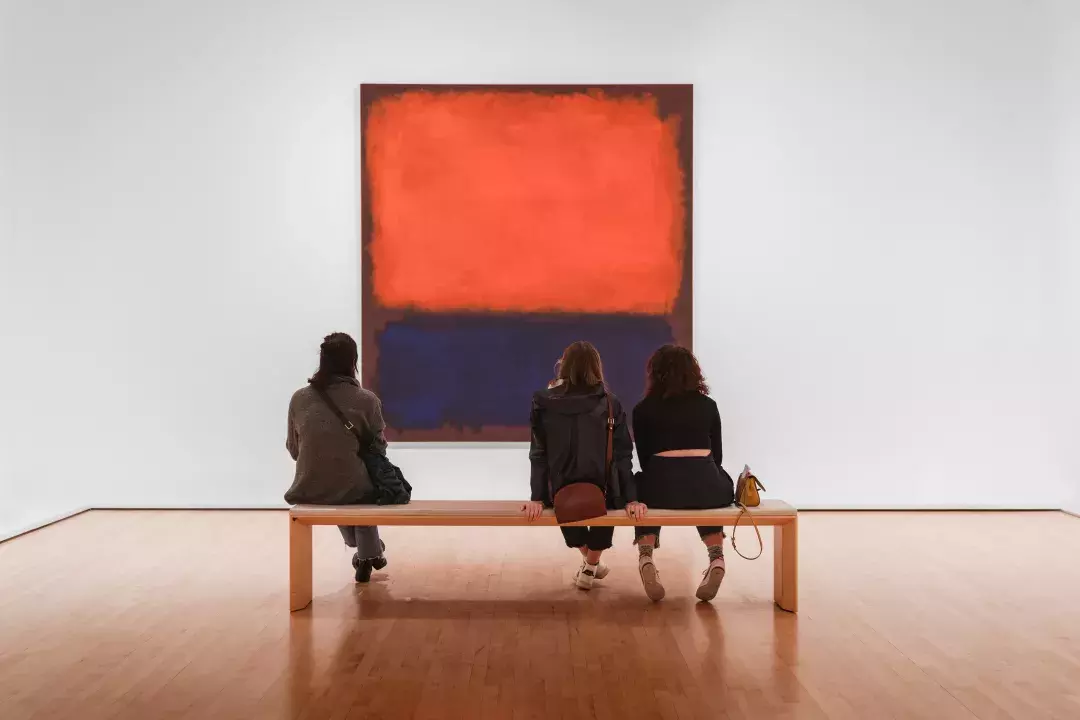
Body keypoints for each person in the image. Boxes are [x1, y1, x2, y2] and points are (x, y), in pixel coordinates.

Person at [522, 341, 646, 590]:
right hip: (604, 483)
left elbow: (539, 453)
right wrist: (631, 497)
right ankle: (591, 567)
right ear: (596, 368)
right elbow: (622, 453)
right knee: (608, 501)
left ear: (563, 367)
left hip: (560, 484)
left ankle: (589, 565)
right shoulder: (610, 402)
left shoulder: (544, 402)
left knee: (565, 506)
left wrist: (537, 496)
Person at [631, 345, 735, 603]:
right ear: (693, 372)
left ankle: (646, 555)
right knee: (708, 482)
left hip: (661, 489)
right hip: (706, 487)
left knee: (642, 485)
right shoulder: (708, 405)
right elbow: (717, 455)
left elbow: (645, 460)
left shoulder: (643, 408)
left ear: (655, 373)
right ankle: (716, 558)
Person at [285, 332, 389, 583]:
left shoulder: (299, 398)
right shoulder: (366, 400)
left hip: (308, 486)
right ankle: (370, 553)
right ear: (353, 361)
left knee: (337, 480)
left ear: (323, 360)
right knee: (358, 486)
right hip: (353, 488)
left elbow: (293, 448)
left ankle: (369, 552)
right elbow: (378, 449)